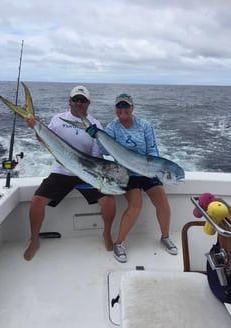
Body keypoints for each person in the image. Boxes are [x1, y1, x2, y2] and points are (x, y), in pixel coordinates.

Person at [23, 85, 115, 261]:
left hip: (86, 172)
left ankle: (107, 234)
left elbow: (96, 155)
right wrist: (34, 127)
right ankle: (34, 241)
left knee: (109, 200)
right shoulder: (57, 119)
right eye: (76, 99)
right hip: (62, 171)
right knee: (36, 201)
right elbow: (44, 140)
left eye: (83, 100)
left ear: (88, 103)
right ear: (69, 101)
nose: (79, 103)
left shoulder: (95, 124)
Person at [88, 93, 178, 263]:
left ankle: (165, 237)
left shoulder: (144, 125)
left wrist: (151, 168)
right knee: (136, 205)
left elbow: (152, 150)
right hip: (126, 173)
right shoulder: (112, 128)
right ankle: (119, 243)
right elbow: (106, 152)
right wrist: (96, 137)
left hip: (146, 169)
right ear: (115, 108)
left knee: (162, 201)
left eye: (126, 106)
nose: (123, 109)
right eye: (119, 106)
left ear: (132, 108)